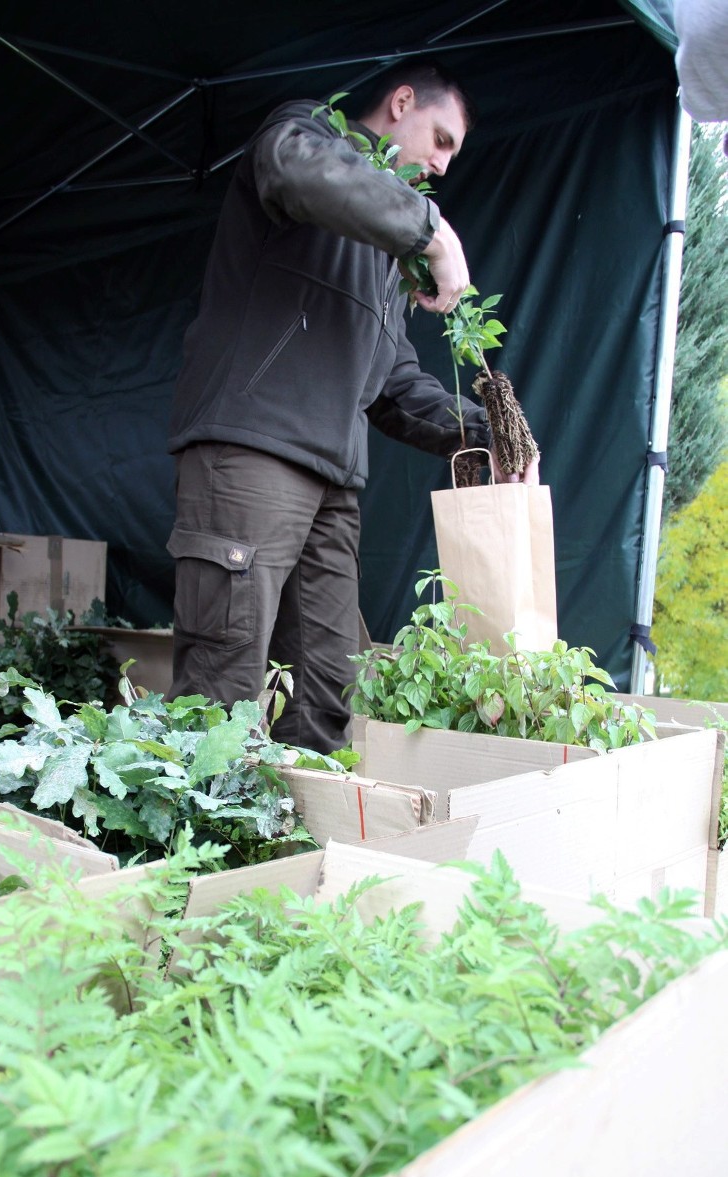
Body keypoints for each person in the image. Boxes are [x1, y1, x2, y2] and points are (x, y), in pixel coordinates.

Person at [165, 60, 535, 754]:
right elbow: (294, 169)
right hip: (252, 450)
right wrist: (432, 230)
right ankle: (193, 858)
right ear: (401, 103)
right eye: (443, 139)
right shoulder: (306, 134)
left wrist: (487, 434)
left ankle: (297, 853)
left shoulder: (386, 247)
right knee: (222, 685)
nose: (443, 165)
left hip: (334, 480)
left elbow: (390, 377)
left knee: (327, 691)